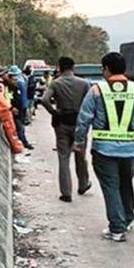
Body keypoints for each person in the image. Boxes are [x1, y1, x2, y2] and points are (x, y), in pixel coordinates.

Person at [74, 52, 134, 242]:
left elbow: (84, 118)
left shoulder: (96, 91)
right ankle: (126, 218)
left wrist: (79, 141)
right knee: (126, 183)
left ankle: (117, 228)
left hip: (104, 150)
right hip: (130, 150)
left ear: (106, 69)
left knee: (111, 187)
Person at [40, 56, 91, 202]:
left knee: (63, 158)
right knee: (80, 155)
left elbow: (44, 100)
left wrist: (54, 113)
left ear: (59, 67)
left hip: (62, 124)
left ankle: (66, 193)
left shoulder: (56, 84)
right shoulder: (84, 83)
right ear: (73, 68)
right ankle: (83, 184)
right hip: (79, 124)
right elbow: (90, 104)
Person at [6, 65, 33, 149]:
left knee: (20, 126)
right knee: (19, 126)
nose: (16, 80)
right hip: (17, 109)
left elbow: (23, 96)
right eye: (14, 78)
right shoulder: (12, 86)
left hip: (21, 108)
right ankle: (23, 142)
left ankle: (22, 142)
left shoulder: (19, 83)